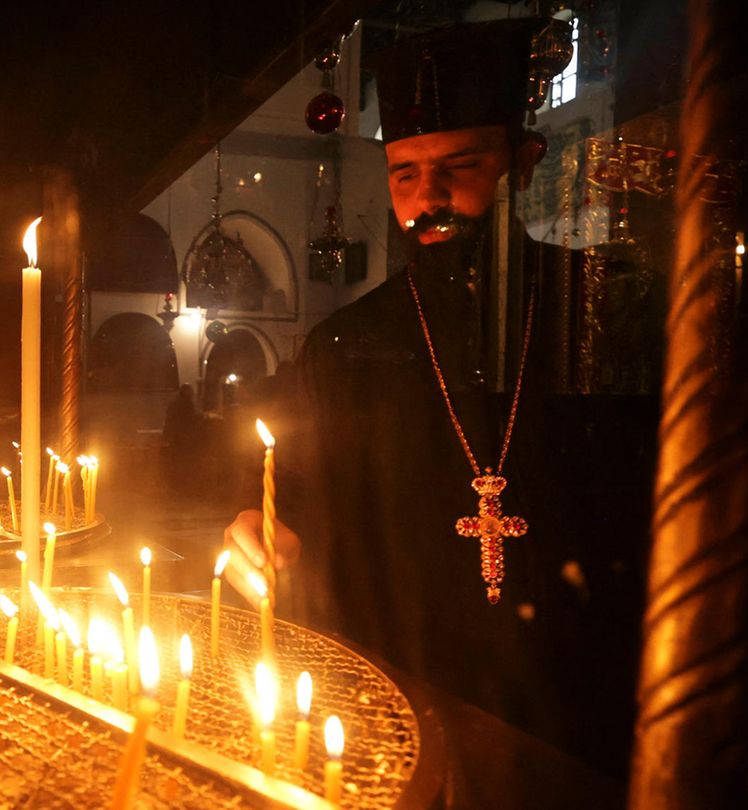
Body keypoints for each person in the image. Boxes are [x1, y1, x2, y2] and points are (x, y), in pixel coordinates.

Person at [223, 18, 658, 779]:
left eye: (459, 166)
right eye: (404, 175)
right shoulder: (344, 345)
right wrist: (262, 526)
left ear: (523, 164)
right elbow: (294, 492)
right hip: (406, 700)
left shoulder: (601, 312)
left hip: (578, 713)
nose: (429, 198)